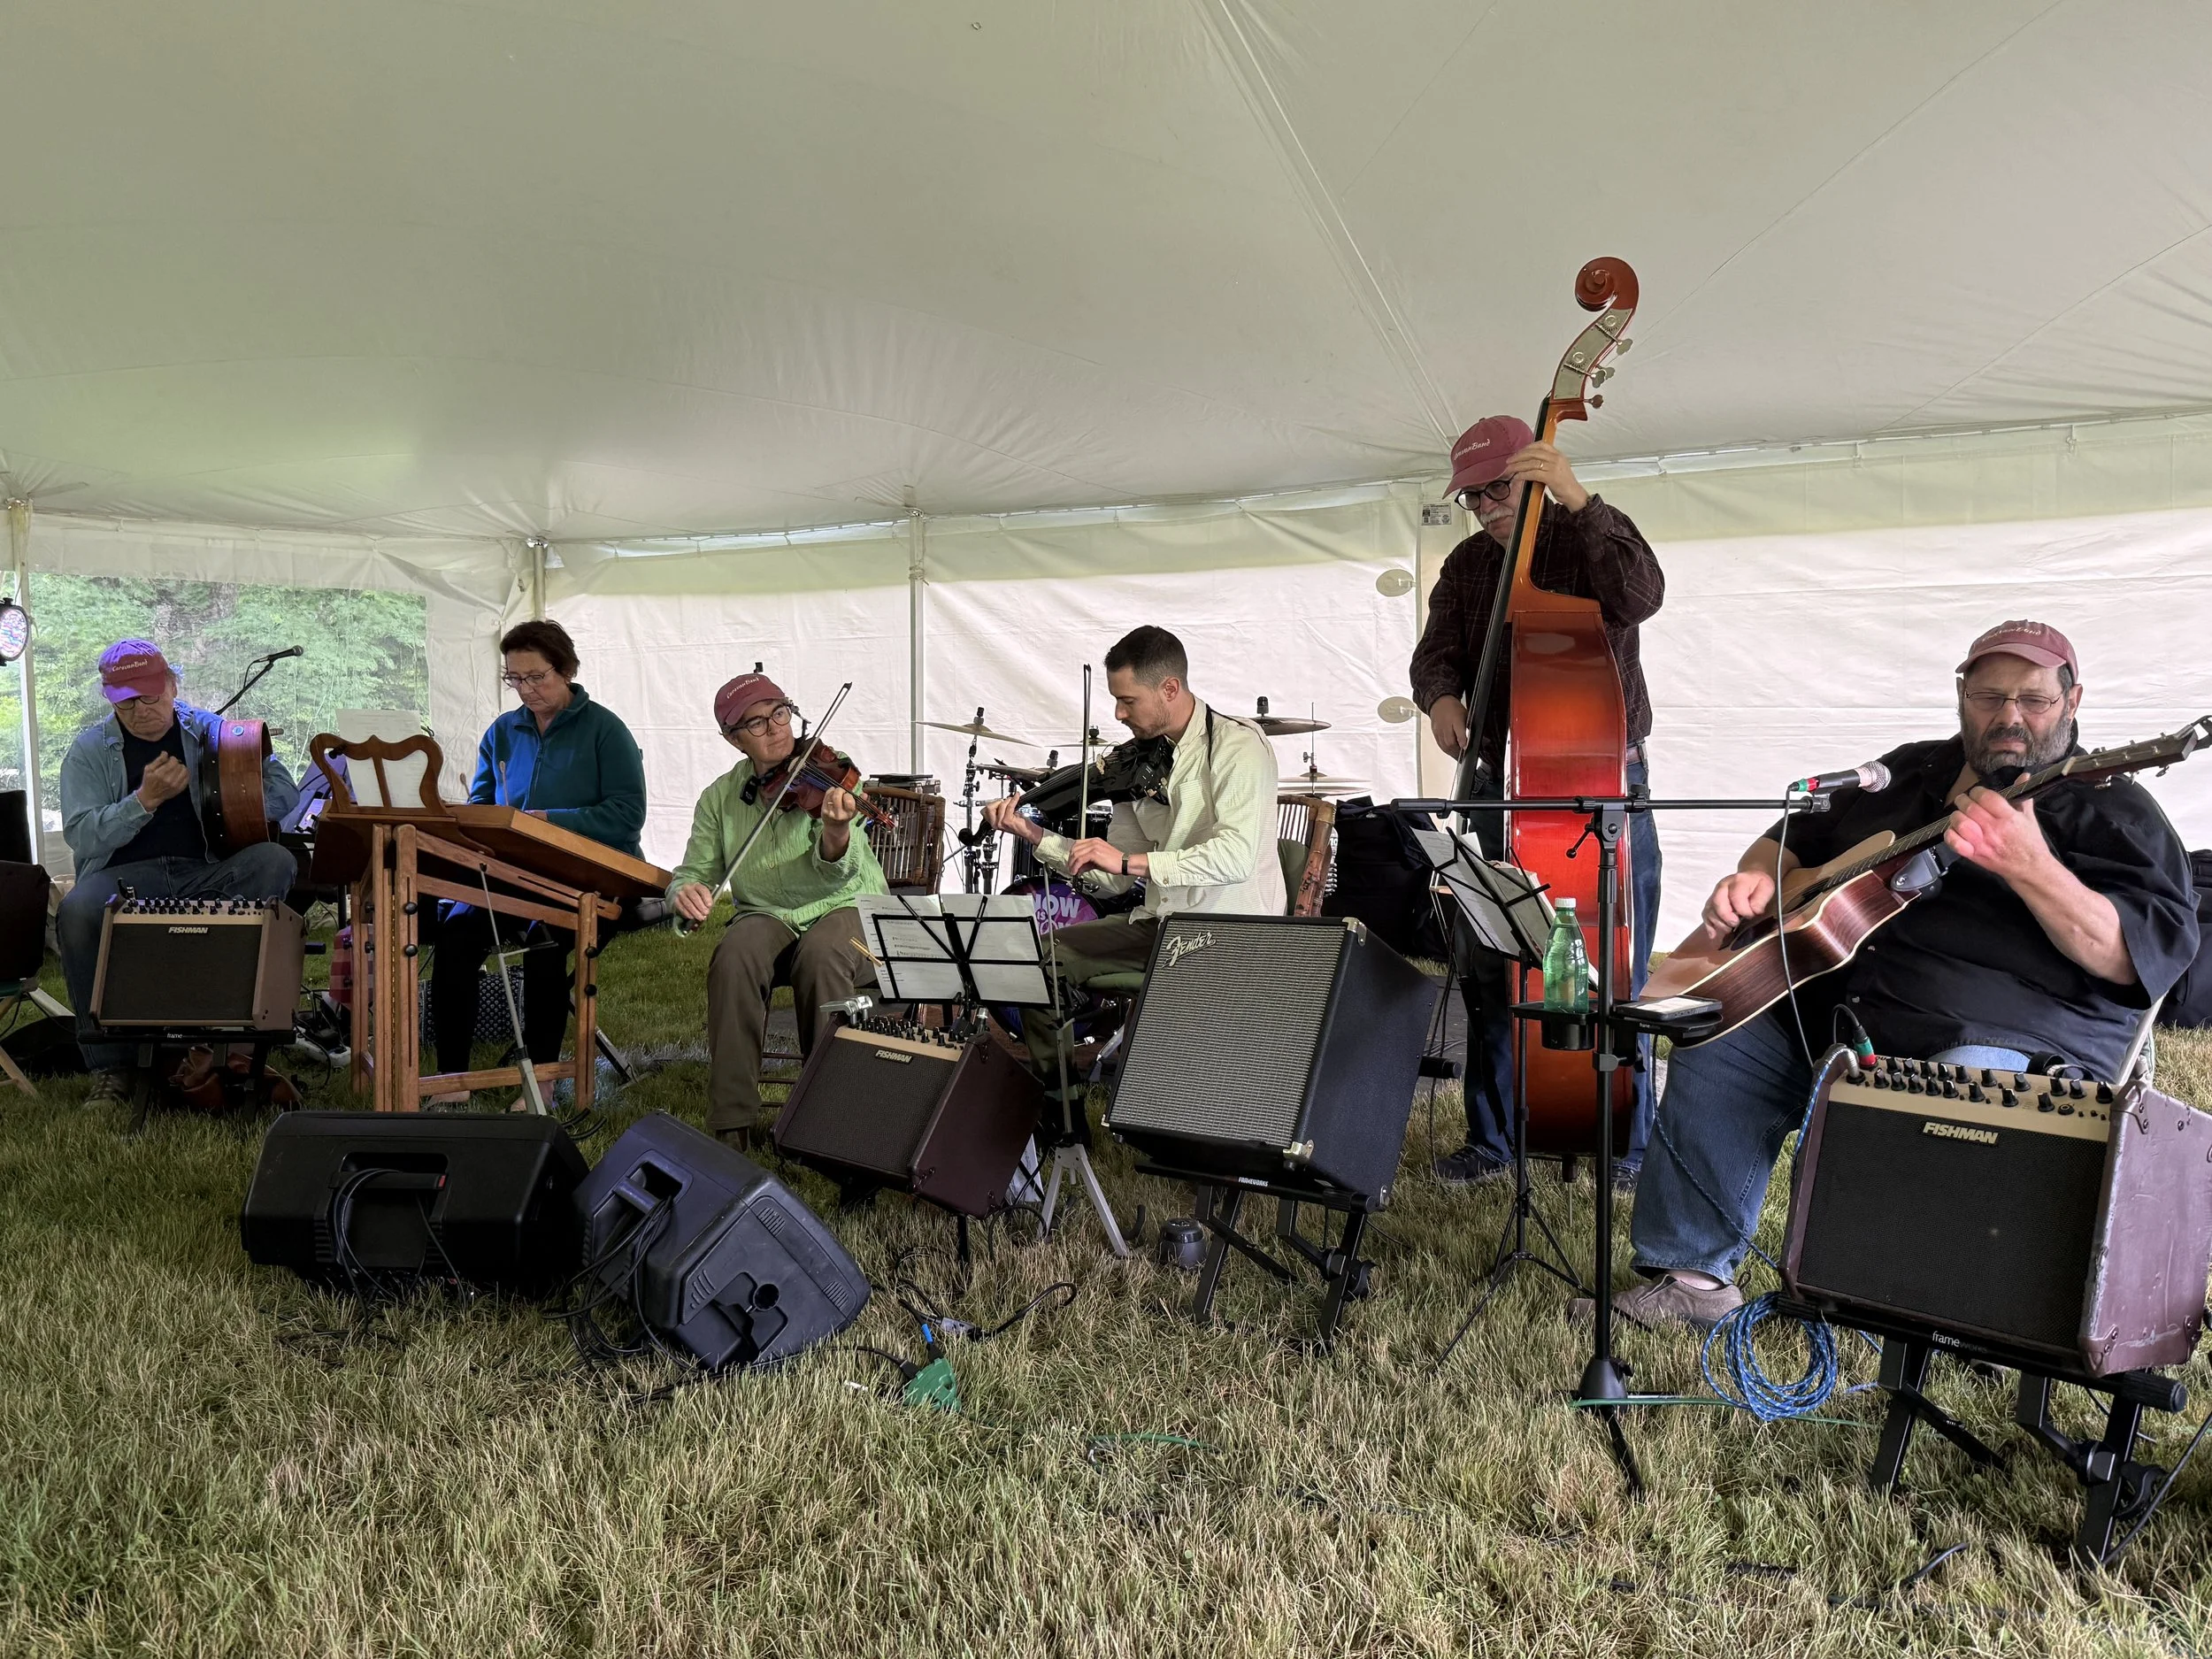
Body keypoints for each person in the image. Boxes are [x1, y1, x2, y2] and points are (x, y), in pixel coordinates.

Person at [1590, 621, 2200, 1330]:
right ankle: (1692, 1279)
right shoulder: (1910, 771)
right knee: (1720, 1032)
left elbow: (2138, 954)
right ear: (1961, 696)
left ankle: (1908, 1303)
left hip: (2002, 1042)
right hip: (1832, 1014)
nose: (2009, 716)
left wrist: (2031, 866)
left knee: (1961, 1086)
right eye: (1989, 695)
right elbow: (1793, 841)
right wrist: (1754, 882)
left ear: (2073, 701)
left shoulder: (2114, 807)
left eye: (2033, 699)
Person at [1409, 413, 1667, 1188]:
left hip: (1604, 787)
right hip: (1501, 788)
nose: (1483, 505)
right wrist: (1442, 698)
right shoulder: (1464, 566)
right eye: (1473, 495)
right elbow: (1434, 655)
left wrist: (1580, 499)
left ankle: (1626, 1144)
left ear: (1532, 476)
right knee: (1495, 963)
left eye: (1496, 489)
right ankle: (1495, 1138)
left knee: (1616, 969)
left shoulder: (1583, 537)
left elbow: (1641, 595)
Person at [982, 626, 1284, 1128]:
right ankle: (1062, 1118)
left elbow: (1234, 857)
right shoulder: (1136, 762)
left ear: (1169, 689)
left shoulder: (1238, 747)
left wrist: (1126, 863)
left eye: (1128, 700)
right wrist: (1034, 835)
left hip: (1228, 930)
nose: (1119, 714)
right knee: (1044, 961)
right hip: (1159, 924)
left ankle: (1193, 1110)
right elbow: (1114, 880)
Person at [57, 639, 300, 1100]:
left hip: (205, 872)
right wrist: (142, 801)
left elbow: (284, 790)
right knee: (77, 912)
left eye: (150, 695)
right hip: (126, 877)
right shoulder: (89, 749)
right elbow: (82, 835)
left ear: (172, 685)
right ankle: (112, 1068)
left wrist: (239, 803)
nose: (141, 709)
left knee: (275, 861)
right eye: (125, 701)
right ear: (109, 697)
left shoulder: (210, 731)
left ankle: (214, 1032)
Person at [425, 619, 646, 1099]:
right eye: (514, 679)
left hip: (593, 876)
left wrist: (552, 821)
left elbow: (628, 815)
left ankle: (542, 1082)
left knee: (545, 941)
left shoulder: (606, 730)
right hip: (515, 874)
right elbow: (482, 807)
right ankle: (452, 1080)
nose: (525, 690)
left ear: (565, 671)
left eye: (536, 677)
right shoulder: (502, 733)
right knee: (457, 936)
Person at [667, 672, 888, 1148]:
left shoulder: (828, 776)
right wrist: (684, 892)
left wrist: (836, 833)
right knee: (734, 955)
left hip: (847, 904)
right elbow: (695, 869)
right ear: (733, 739)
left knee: (823, 953)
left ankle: (829, 1123)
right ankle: (732, 1125)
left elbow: (839, 874)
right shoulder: (720, 798)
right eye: (757, 724)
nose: (776, 729)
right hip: (766, 911)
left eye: (781, 714)